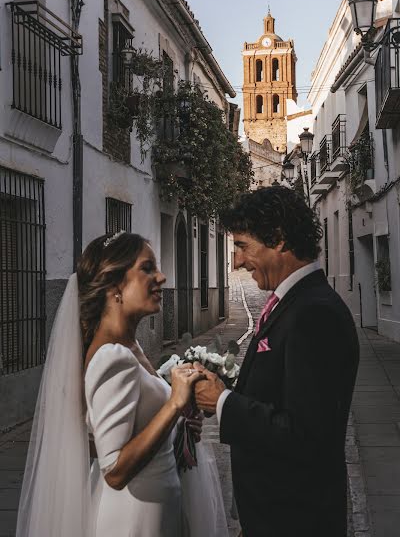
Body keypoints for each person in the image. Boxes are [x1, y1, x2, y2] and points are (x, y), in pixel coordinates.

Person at [16, 231, 228, 537]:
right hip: (136, 519)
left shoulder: (130, 346)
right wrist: (174, 404)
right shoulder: (111, 357)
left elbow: (104, 440)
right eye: (147, 268)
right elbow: (114, 470)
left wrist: (179, 426)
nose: (162, 276)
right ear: (115, 285)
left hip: (158, 508)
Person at [194, 186, 360, 537]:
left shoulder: (314, 314)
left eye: (242, 246)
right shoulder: (292, 303)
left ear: (279, 239)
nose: (236, 261)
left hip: (295, 519)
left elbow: (305, 434)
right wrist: (225, 389)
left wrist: (224, 403)